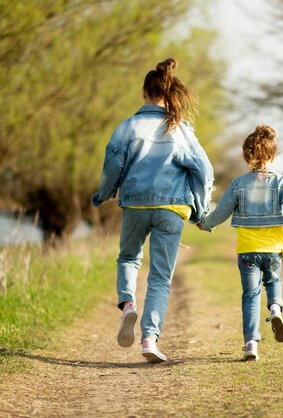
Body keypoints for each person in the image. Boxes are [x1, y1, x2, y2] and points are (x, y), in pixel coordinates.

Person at [91, 58, 214, 363]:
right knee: (160, 277)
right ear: (169, 92)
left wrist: (104, 194)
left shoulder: (127, 127)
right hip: (172, 209)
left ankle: (128, 304)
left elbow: (112, 166)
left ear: (145, 92)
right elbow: (205, 170)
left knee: (129, 257)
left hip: (134, 204)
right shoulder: (181, 129)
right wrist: (200, 209)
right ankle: (149, 339)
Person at [198, 125, 283, 361]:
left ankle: (251, 344)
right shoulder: (282, 183)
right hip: (273, 249)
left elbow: (221, 212)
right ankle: (275, 309)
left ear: (246, 156)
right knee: (273, 281)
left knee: (250, 296)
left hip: (247, 251)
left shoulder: (237, 184)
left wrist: (206, 223)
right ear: (273, 156)